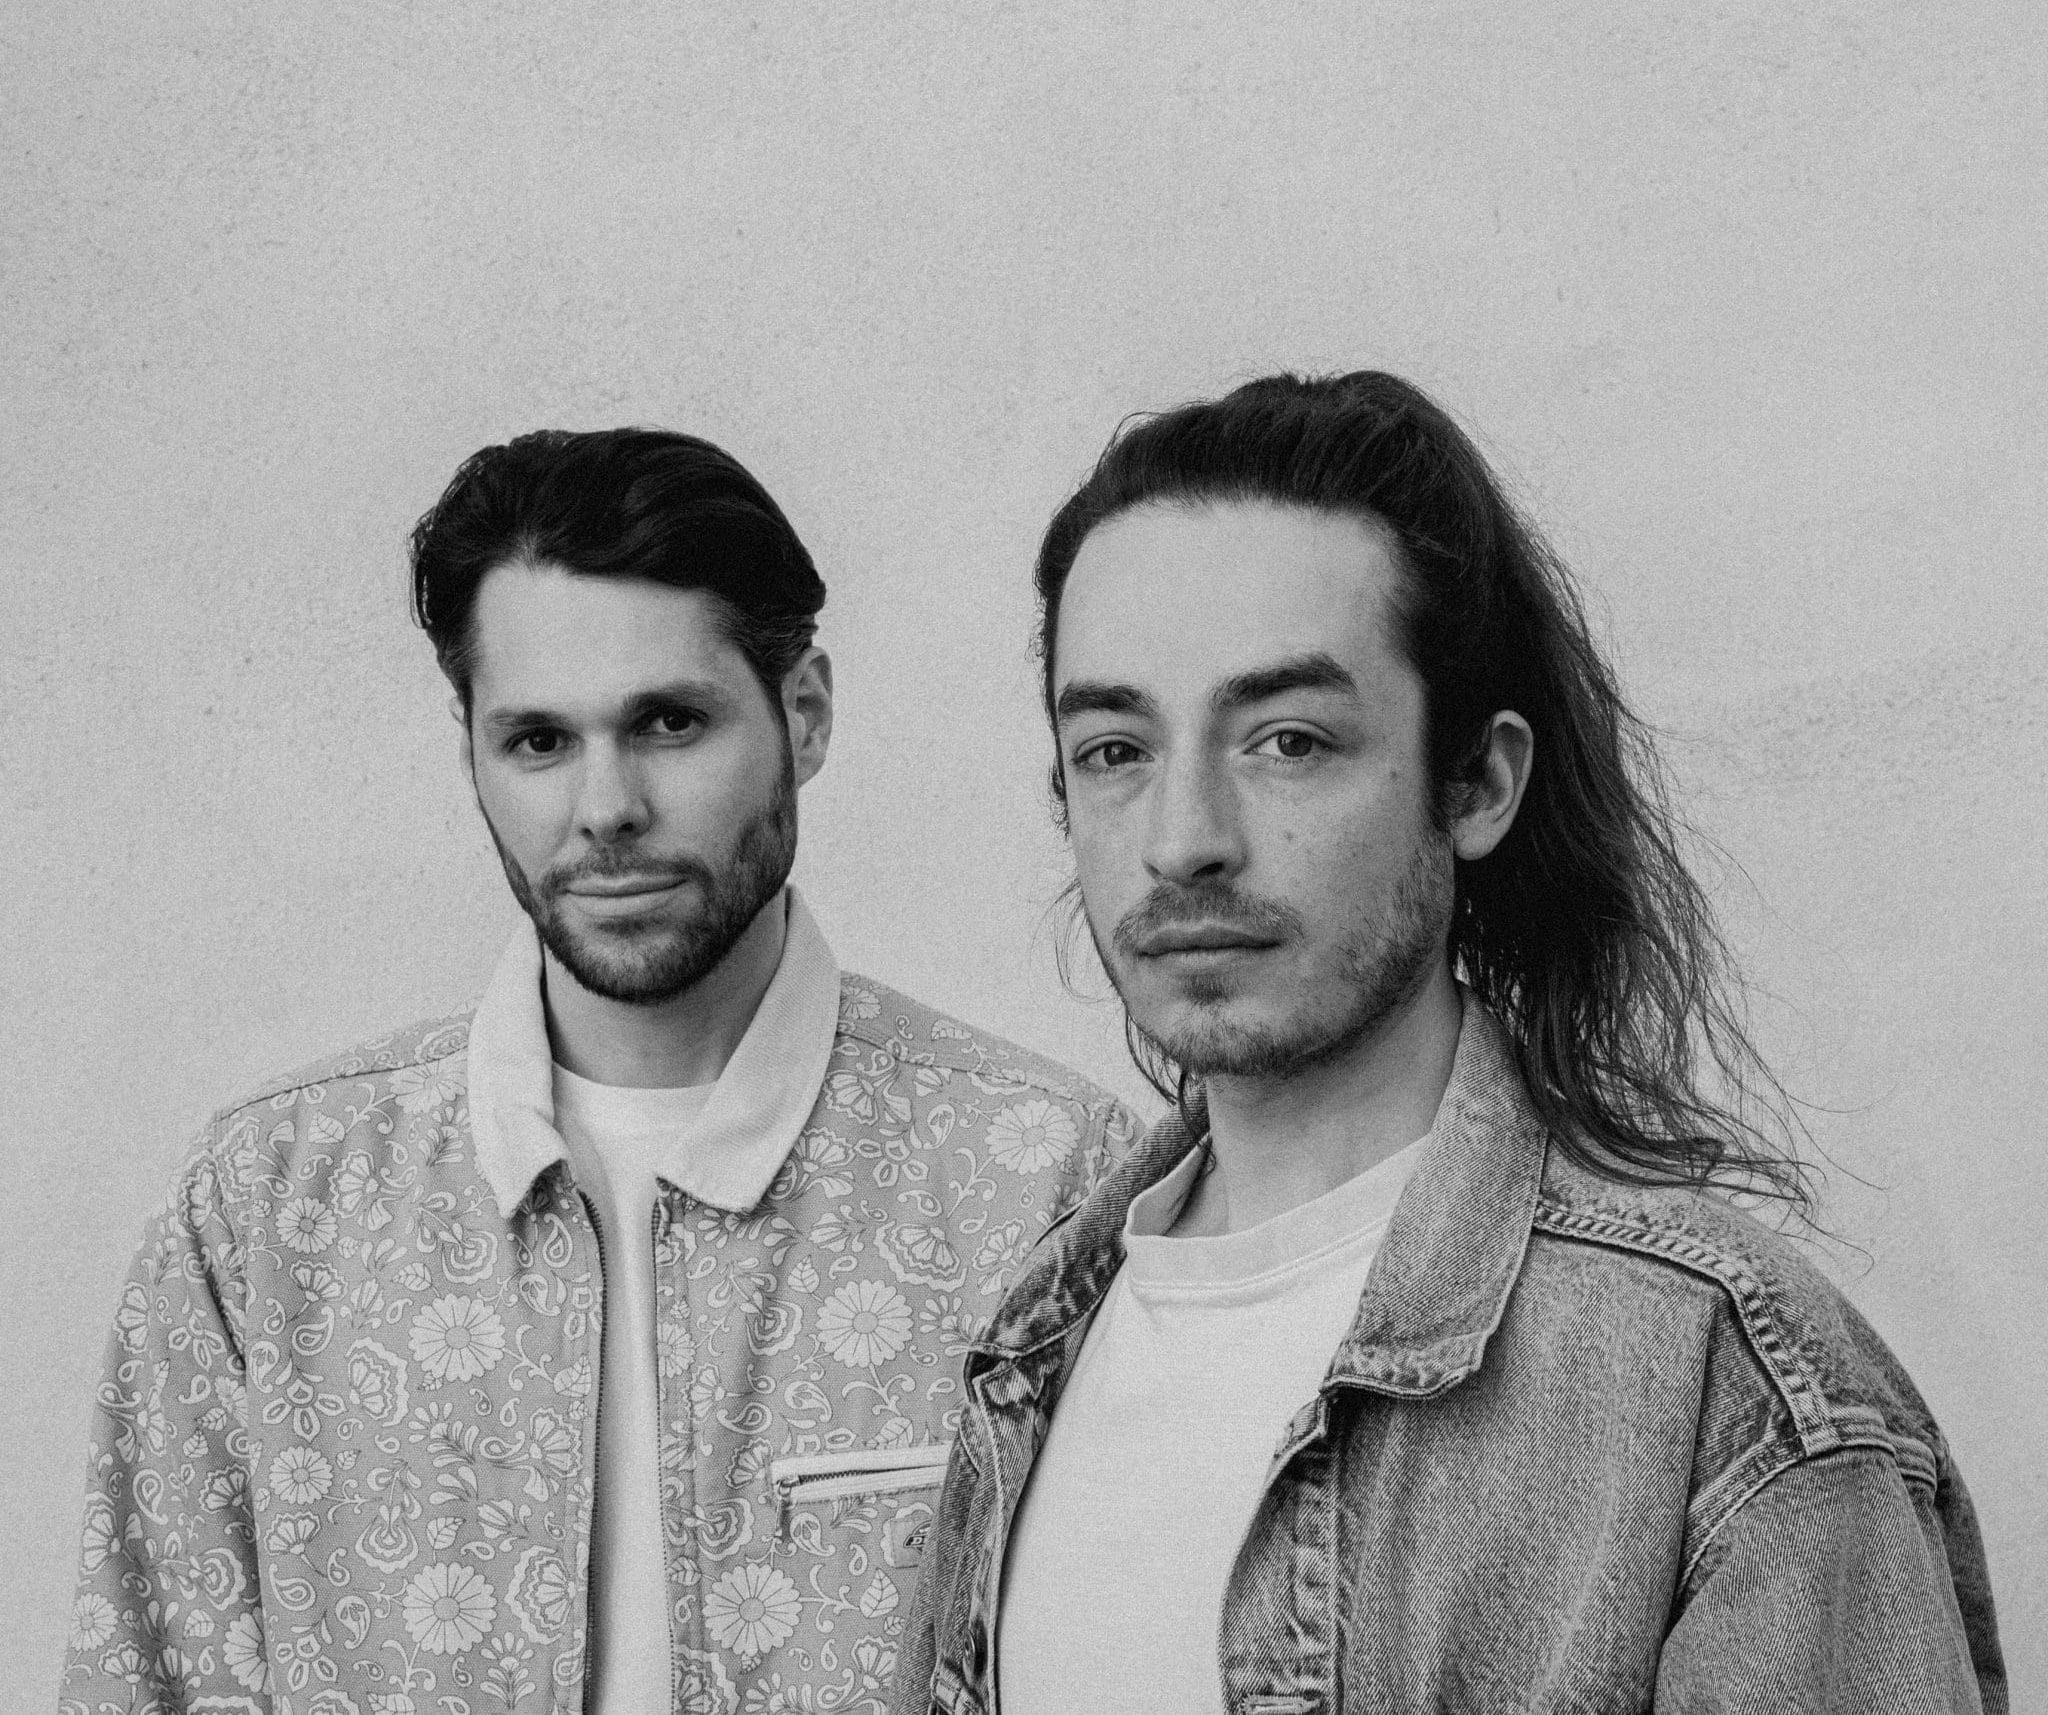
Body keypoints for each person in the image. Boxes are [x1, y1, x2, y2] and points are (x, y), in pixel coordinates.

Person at [895, 372, 2006, 1714]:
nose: (1182, 837)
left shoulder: (1725, 1386)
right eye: (1115, 748)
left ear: (1478, 781)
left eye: (1287, 740)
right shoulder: (1029, 1342)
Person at [61, 428, 1137, 1715]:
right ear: (471, 749)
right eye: (537, 741)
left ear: (804, 713)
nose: (606, 806)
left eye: (669, 722)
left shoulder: (1048, 1182)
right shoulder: (270, 1208)